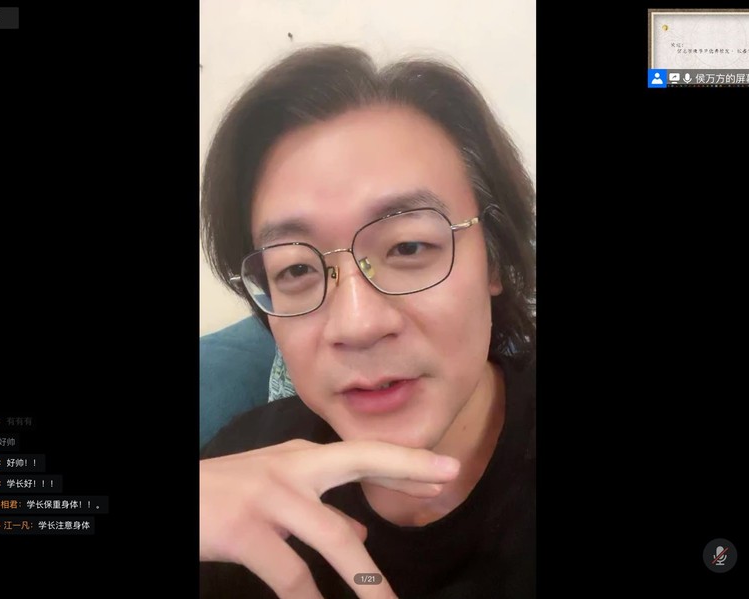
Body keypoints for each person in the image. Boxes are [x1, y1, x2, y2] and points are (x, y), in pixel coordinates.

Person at [199, 45, 536, 598]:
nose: (356, 325)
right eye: (297, 269)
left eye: (408, 247)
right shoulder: (234, 468)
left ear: (494, 260)